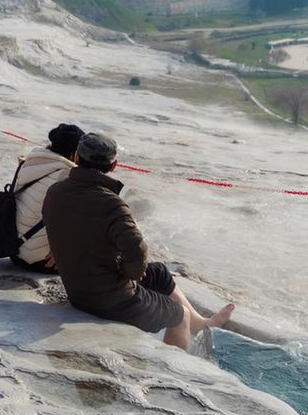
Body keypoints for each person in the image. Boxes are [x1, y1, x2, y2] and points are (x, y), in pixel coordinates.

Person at [42, 133, 234, 350]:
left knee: (160, 273)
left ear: (77, 158)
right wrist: (130, 273)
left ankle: (202, 324)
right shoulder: (113, 205)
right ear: (113, 165)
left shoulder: (55, 192)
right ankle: (176, 375)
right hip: (109, 300)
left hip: (78, 288)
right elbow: (137, 252)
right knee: (179, 315)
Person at [10, 123, 84, 272]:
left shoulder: (27, 163)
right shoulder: (68, 175)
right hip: (43, 261)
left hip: (14, 250)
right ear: (76, 153)